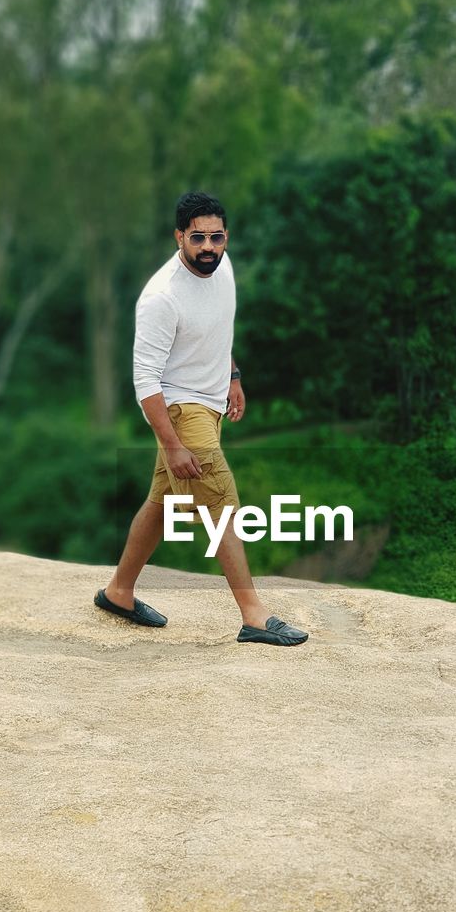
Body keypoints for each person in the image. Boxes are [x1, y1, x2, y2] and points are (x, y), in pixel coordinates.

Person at [94, 191, 308, 646]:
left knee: (161, 504)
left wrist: (232, 374)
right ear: (179, 237)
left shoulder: (222, 266)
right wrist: (173, 443)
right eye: (198, 239)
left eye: (216, 237)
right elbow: (145, 382)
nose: (208, 247)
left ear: (225, 236)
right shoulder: (161, 298)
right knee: (222, 506)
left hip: (210, 403)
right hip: (180, 408)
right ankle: (254, 615)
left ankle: (119, 592)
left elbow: (218, 327)